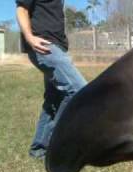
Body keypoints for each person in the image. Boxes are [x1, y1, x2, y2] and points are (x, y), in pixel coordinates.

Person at [16, 0, 87, 159]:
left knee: (54, 100)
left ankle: (39, 150)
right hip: (44, 45)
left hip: (57, 48)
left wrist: (63, 51)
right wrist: (29, 37)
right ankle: (59, 143)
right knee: (80, 92)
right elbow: (21, 9)